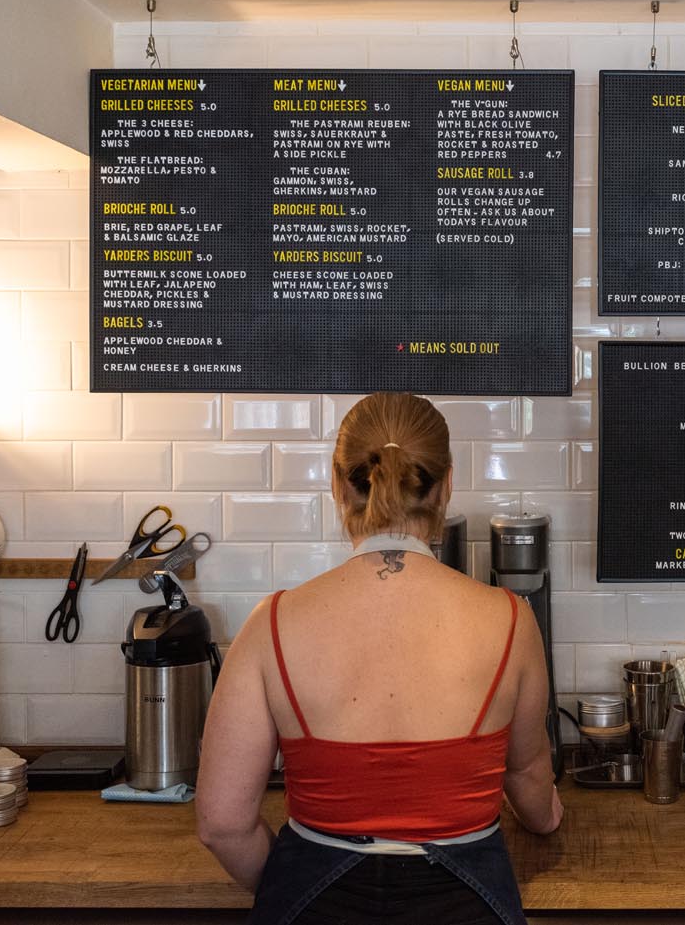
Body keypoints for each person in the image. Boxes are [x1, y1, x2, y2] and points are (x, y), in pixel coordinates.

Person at [196, 391, 562, 925]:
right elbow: (529, 776)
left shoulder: (271, 623)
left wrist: (299, 887)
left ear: (338, 483)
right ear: (447, 485)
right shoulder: (510, 618)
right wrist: (549, 817)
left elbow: (223, 825)